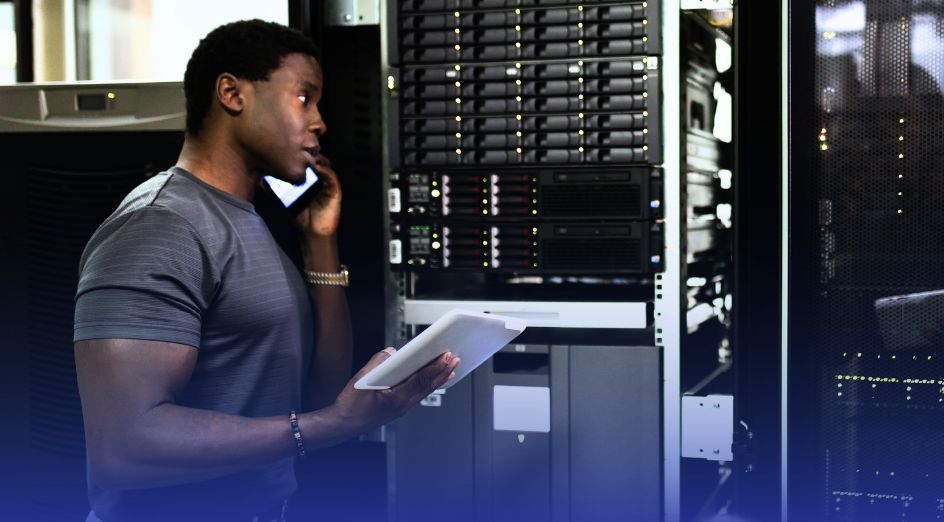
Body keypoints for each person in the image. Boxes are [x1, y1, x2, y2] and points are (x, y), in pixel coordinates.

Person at [72, 19, 459, 522]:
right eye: (304, 98)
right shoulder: (159, 225)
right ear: (232, 93)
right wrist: (327, 426)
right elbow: (122, 449)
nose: (320, 122)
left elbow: (319, 394)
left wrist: (320, 242)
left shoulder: (246, 220)